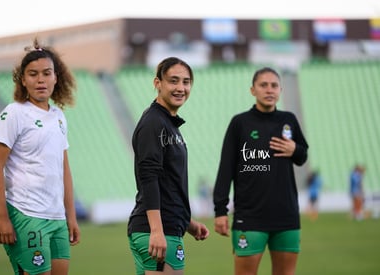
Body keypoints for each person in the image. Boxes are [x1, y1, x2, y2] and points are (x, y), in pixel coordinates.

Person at [0, 38, 80, 275]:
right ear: (23, 80)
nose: (40, 80)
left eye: (46, 73)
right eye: (33, 74)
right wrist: (2, 217)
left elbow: (64, 169)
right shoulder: (14, 113)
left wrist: (70, 216)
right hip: (26, 214)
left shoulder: (59, 116)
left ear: (56, 77)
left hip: (56, 217)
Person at [213, 67, 309, 275]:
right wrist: (220, 210)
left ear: (280, 90)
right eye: (263, 85)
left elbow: (303, 156)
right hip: (250, 217)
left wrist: (295, 149)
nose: (269, 90)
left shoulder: (289, 120)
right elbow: (225, 168)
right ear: (252, 90)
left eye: (274, 85)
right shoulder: (240, 123)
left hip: (286, 215)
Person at [127, 57, 209, 275]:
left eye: (186, 82)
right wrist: (157, 230)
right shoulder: (154, 121)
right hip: (157, 230)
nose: (181, 88)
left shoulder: (168, 123)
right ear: (158, 83)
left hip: (167, 226)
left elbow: (169, 183)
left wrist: (188, 223)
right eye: (173, 81)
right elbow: (149, 176)